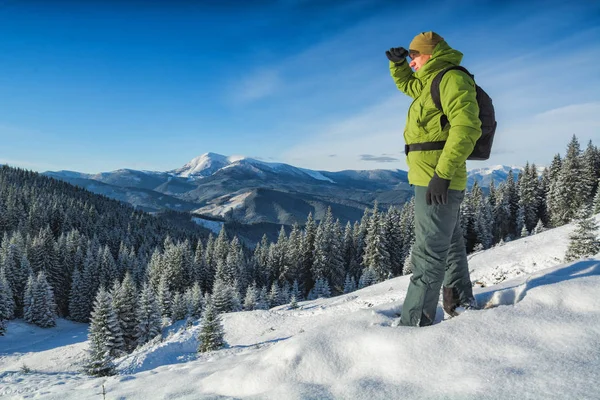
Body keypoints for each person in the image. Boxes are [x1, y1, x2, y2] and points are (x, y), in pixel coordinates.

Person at [386, 32, 481, 327]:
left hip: (437, 179)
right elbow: (407, 85)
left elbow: (467, 127)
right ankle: (459, 303)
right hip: (428, 177)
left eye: (415, 56)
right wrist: (398, 64)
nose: (412, 61)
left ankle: (414, 323)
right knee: (449, 244)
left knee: (427, 254)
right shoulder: (429, 82)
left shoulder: (451, 79)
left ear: (430, 53)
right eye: (410, 57)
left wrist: (442, 174)